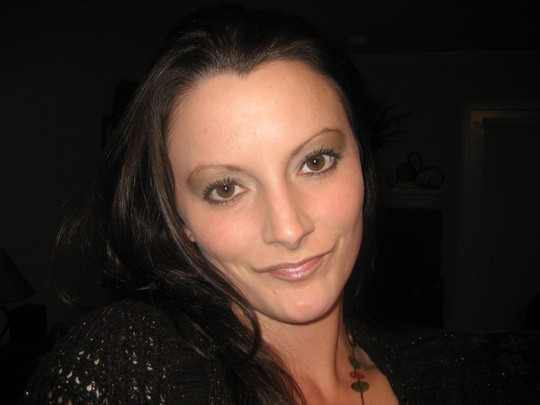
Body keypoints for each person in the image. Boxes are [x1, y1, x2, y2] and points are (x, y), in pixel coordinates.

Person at [22, 4, 534, 405]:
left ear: (362, 161)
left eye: (315, 161)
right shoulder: (130, 359)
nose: (289, 229)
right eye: (226, 188)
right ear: (180, 220)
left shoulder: (459, 376)